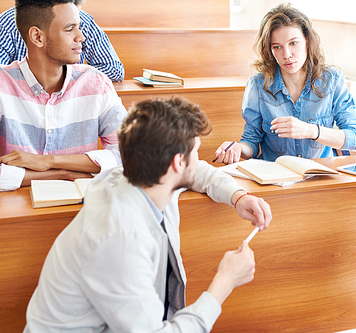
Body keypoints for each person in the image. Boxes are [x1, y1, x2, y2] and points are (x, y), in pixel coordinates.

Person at [23, 96, 273, 332]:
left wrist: (239, 196)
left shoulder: (146, 177)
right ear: (177, 163)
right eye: (196, 151)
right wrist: (225, 281)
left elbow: (199, 172)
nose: (199, 158)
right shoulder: (119, 239)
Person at [0, 0, 127, 192]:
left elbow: (131, 154)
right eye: (70, 29)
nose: (81, 37)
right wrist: (61, 173)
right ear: (37, 37)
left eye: (79, 27)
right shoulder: (3, 85)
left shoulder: (96, 83)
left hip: (82, 207)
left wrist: (48, 161)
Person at [214, 3, 356, 164]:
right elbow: (251, 142)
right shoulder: (258, 86)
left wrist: (311, 130)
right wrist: (238, 148)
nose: (287, 54)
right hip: (275, 177)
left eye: (293, 43)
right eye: (277, 47)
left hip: (319, 175)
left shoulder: (332, 80)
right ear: (270, 51)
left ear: (307, 41)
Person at [0, 0, 125, 82]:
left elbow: (114, 69)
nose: (81, 37)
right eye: (69, 28)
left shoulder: (85, 21)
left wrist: (66, 77)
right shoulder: (7, 24)